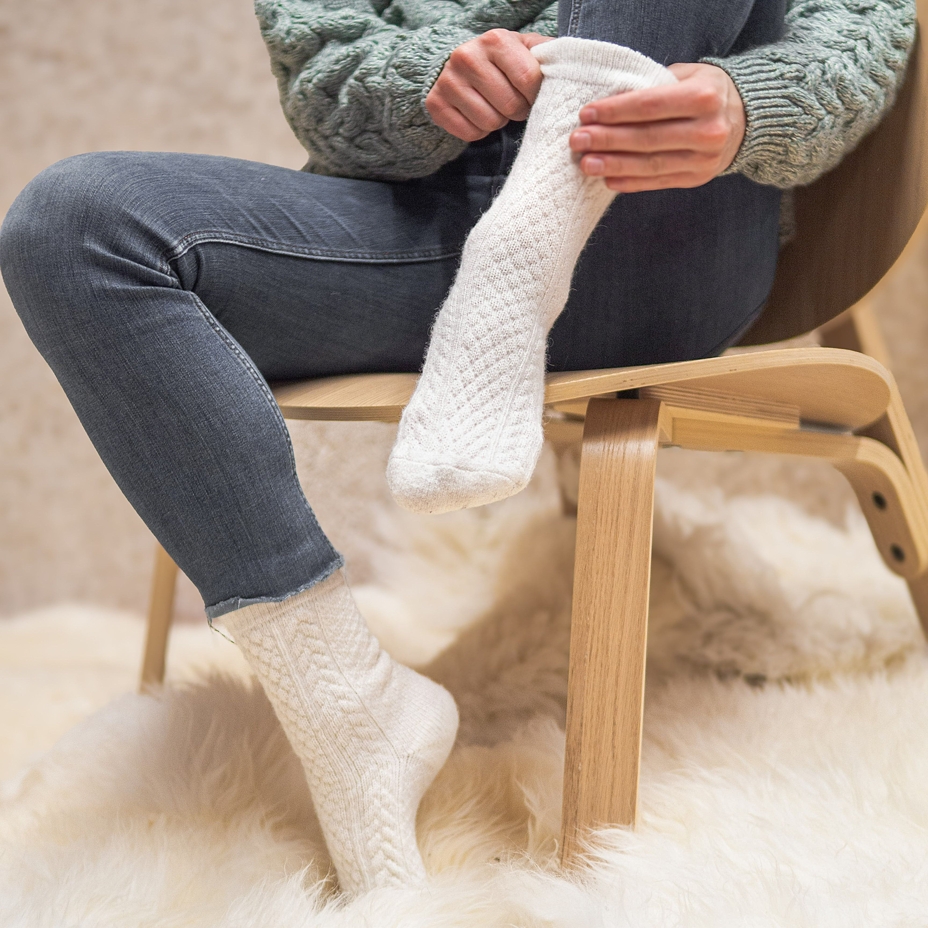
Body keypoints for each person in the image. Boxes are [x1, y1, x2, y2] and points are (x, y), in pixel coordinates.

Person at [0, 0, 915, 897]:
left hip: (665, 206)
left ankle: (522, 260)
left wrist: (749, 100)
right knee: (70, 225)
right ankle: (349, 705)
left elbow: (864, 19)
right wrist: (431, 77)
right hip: (423, 228)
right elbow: (325, 69)